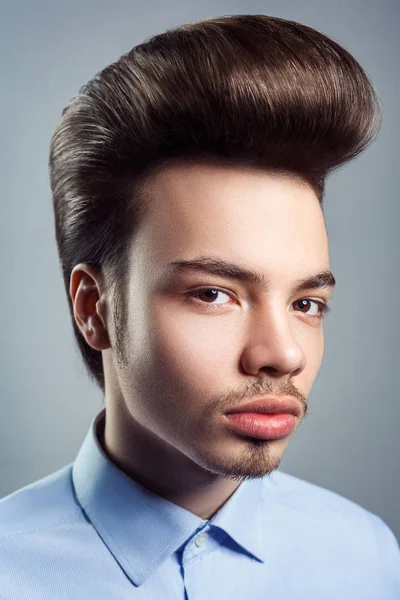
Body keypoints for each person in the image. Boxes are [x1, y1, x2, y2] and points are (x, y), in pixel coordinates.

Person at [1, 13, 399, 599]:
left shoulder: (366, 556)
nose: (283, 354)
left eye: (307, 302)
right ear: (94, 307)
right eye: (213, 294)